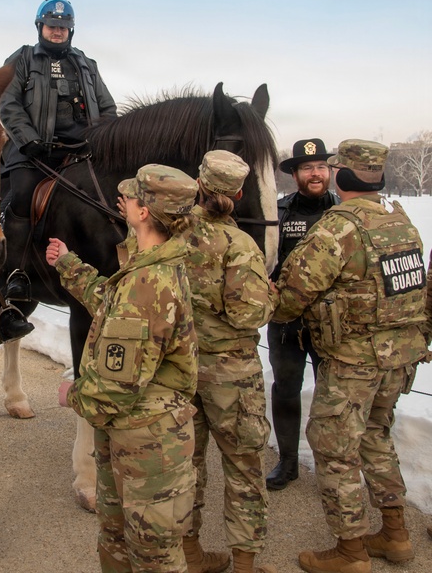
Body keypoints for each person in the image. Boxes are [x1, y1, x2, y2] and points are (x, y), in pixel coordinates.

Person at [274, 139, 429, 573]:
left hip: (353, 363)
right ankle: (395, 533)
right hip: (398, 359)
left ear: (342, 175)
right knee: (376, 436)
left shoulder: (337, 228)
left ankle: (351, 551)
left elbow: (291, 297)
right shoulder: (401, 223)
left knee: (334, 449)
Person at [46, 164, 198, 572]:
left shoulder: (148, 284)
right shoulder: (150, 265)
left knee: (154, 557)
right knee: (116, 541)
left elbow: (115, 388)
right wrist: (69, 265)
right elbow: (112, 304)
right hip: (133, 436)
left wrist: (74, 394)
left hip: (148, 445)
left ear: (144, 212)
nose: (121, 203)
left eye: (129, 198)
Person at [0, 0, 117, 343]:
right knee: (22, 195)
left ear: (71, 30)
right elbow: (8, 103)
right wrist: (28, 139)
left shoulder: (87, 64)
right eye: (52, 26)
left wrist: (106, 140)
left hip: (80, 151)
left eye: (63, 27)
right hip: (34, 151)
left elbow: (108, 108)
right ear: (40, 27)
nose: (57, 31)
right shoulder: (22, 59)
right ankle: (16, 275)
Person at [183, 150, 278, 573]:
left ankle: (190, 553)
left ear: (198, 184)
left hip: (180, 368)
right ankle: (245, 564)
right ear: (239, 194)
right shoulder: (240, 246)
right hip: (232, 376)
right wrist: (270, 296)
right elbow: (248, 314)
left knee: (186, 465)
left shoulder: (169, 234)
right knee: (243, 469)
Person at [266, 138, 339, 490]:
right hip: (287, 324)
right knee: (286, 389)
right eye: (307, 168)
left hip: (334, 326)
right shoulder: (279, 213)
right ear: (294, 175)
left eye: (321, 167)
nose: (316, 173)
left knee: (334, 395)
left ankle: (332, 464)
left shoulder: (343, 212)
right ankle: (288, 462)